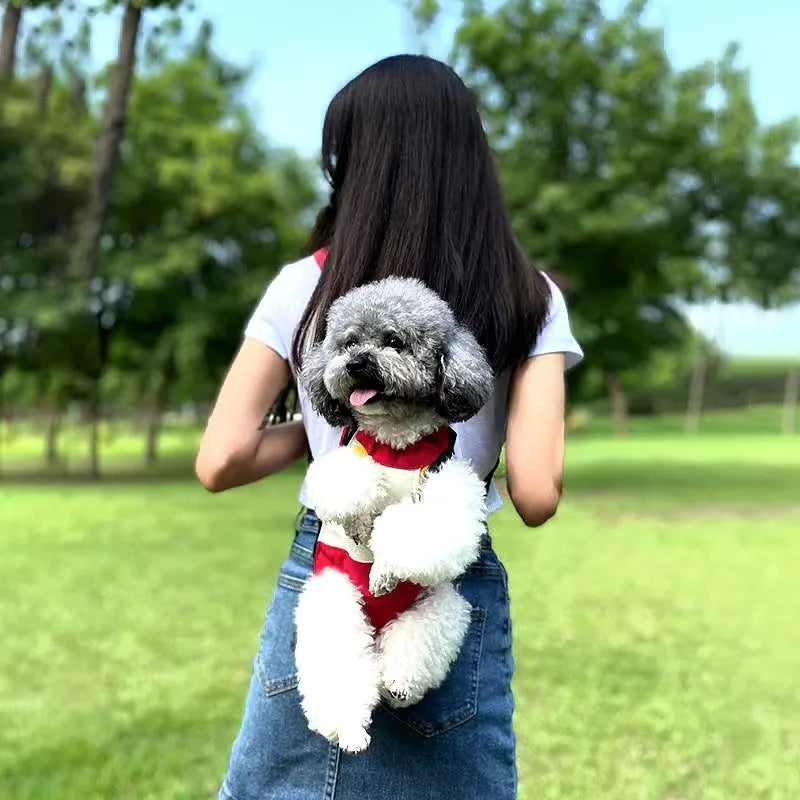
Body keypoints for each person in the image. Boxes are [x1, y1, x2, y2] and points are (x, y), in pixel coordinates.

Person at [196, 54, 583, 800]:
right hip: (445, 573)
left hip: (331, 565)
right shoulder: (525, 293)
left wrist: (321, 433)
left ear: (355, 162)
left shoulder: (303, 286)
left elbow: (221, 459)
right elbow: (536, 492)